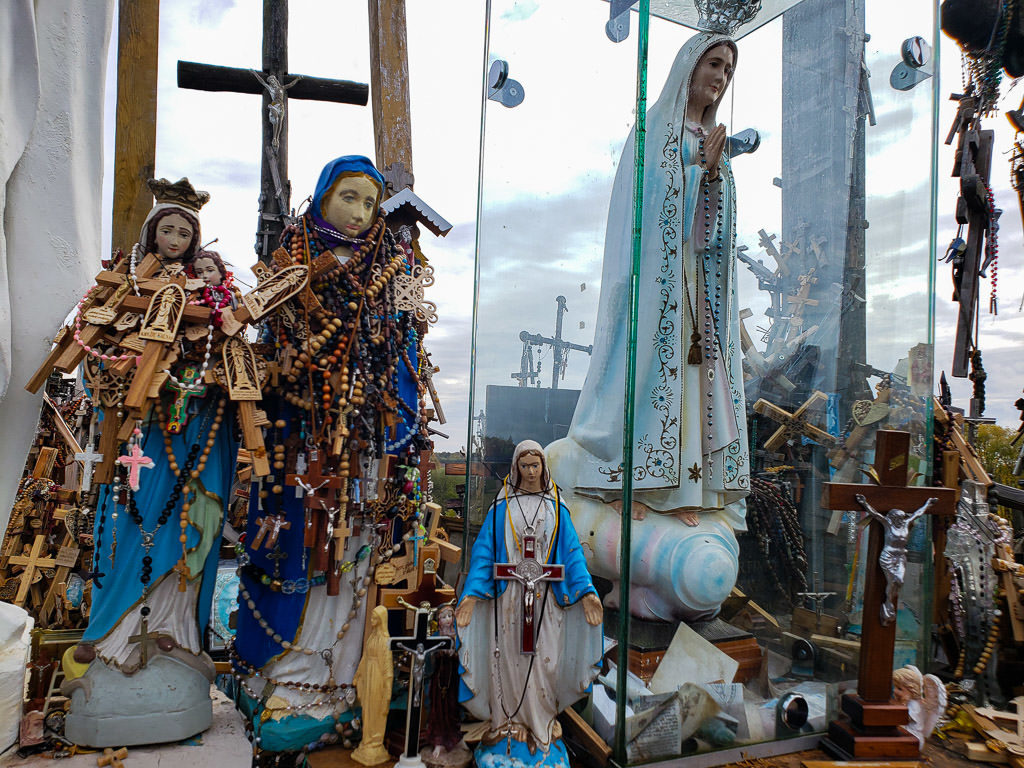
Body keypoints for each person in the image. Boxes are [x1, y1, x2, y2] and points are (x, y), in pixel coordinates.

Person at [546, 33, 749, 622]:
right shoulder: (652, 136)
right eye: (713, 63)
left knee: (694, 390)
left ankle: (686, 493)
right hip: (657, 296)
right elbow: (644, 212)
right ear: (688, 68)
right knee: (652, 389)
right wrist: (693, 175)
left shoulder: (716, 146)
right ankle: (640, 488)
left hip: (699, 296)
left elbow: (717, 234)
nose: (721, 76)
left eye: (728, 68)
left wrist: (714, 176)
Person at [231, 155, 430, 753]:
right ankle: (290, 675)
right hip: (306, 440)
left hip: (362, 442)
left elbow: (402, 352)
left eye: (370, 203)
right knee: (301, 543)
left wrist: (400, 344)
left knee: (354, 547)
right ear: (322, 197)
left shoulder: (386, 268)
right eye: (350, 197)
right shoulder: (293, 262)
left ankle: (341, 675)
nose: (361, 212)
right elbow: (271, 341)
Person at [57, 179, 239, 747]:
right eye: (169, 229)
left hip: (192, 431)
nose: (178, 239)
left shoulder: (212, 293)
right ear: (151, 233)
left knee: (193, 524)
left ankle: (174, 633)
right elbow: (88, 349)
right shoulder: (123, 285)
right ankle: (108, 638)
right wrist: (122, 373)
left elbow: (235, 361)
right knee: (126, 524)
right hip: (142, 436)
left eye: (186, 231)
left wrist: (208, 373)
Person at [457, 440, 603, 768]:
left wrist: (587, 592)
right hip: (509, 601)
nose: (531, 471)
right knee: (507, 659)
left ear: (544, 466)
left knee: (544, 660)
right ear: (516, 468)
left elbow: (572, 553)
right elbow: (483, 554)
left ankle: (541, 724)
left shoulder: (555, 505)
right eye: (525, 466)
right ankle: (507, 724)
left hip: (546, 603)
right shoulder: (502, 506)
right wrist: (470, 595)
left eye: (536, 465)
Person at [351, 606, 392, 766]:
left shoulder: (384, 640)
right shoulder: (372, 637)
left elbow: (388, 667)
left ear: (381, 620)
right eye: (372, 617)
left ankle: (375, 742)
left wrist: (387, 689)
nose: (371, 620)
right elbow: (365, 657)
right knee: (367, 709)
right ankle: (366, 741)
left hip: (378, 679)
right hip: (368, 675)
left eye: (375, 618)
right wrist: (357, 675)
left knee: (375, 709)